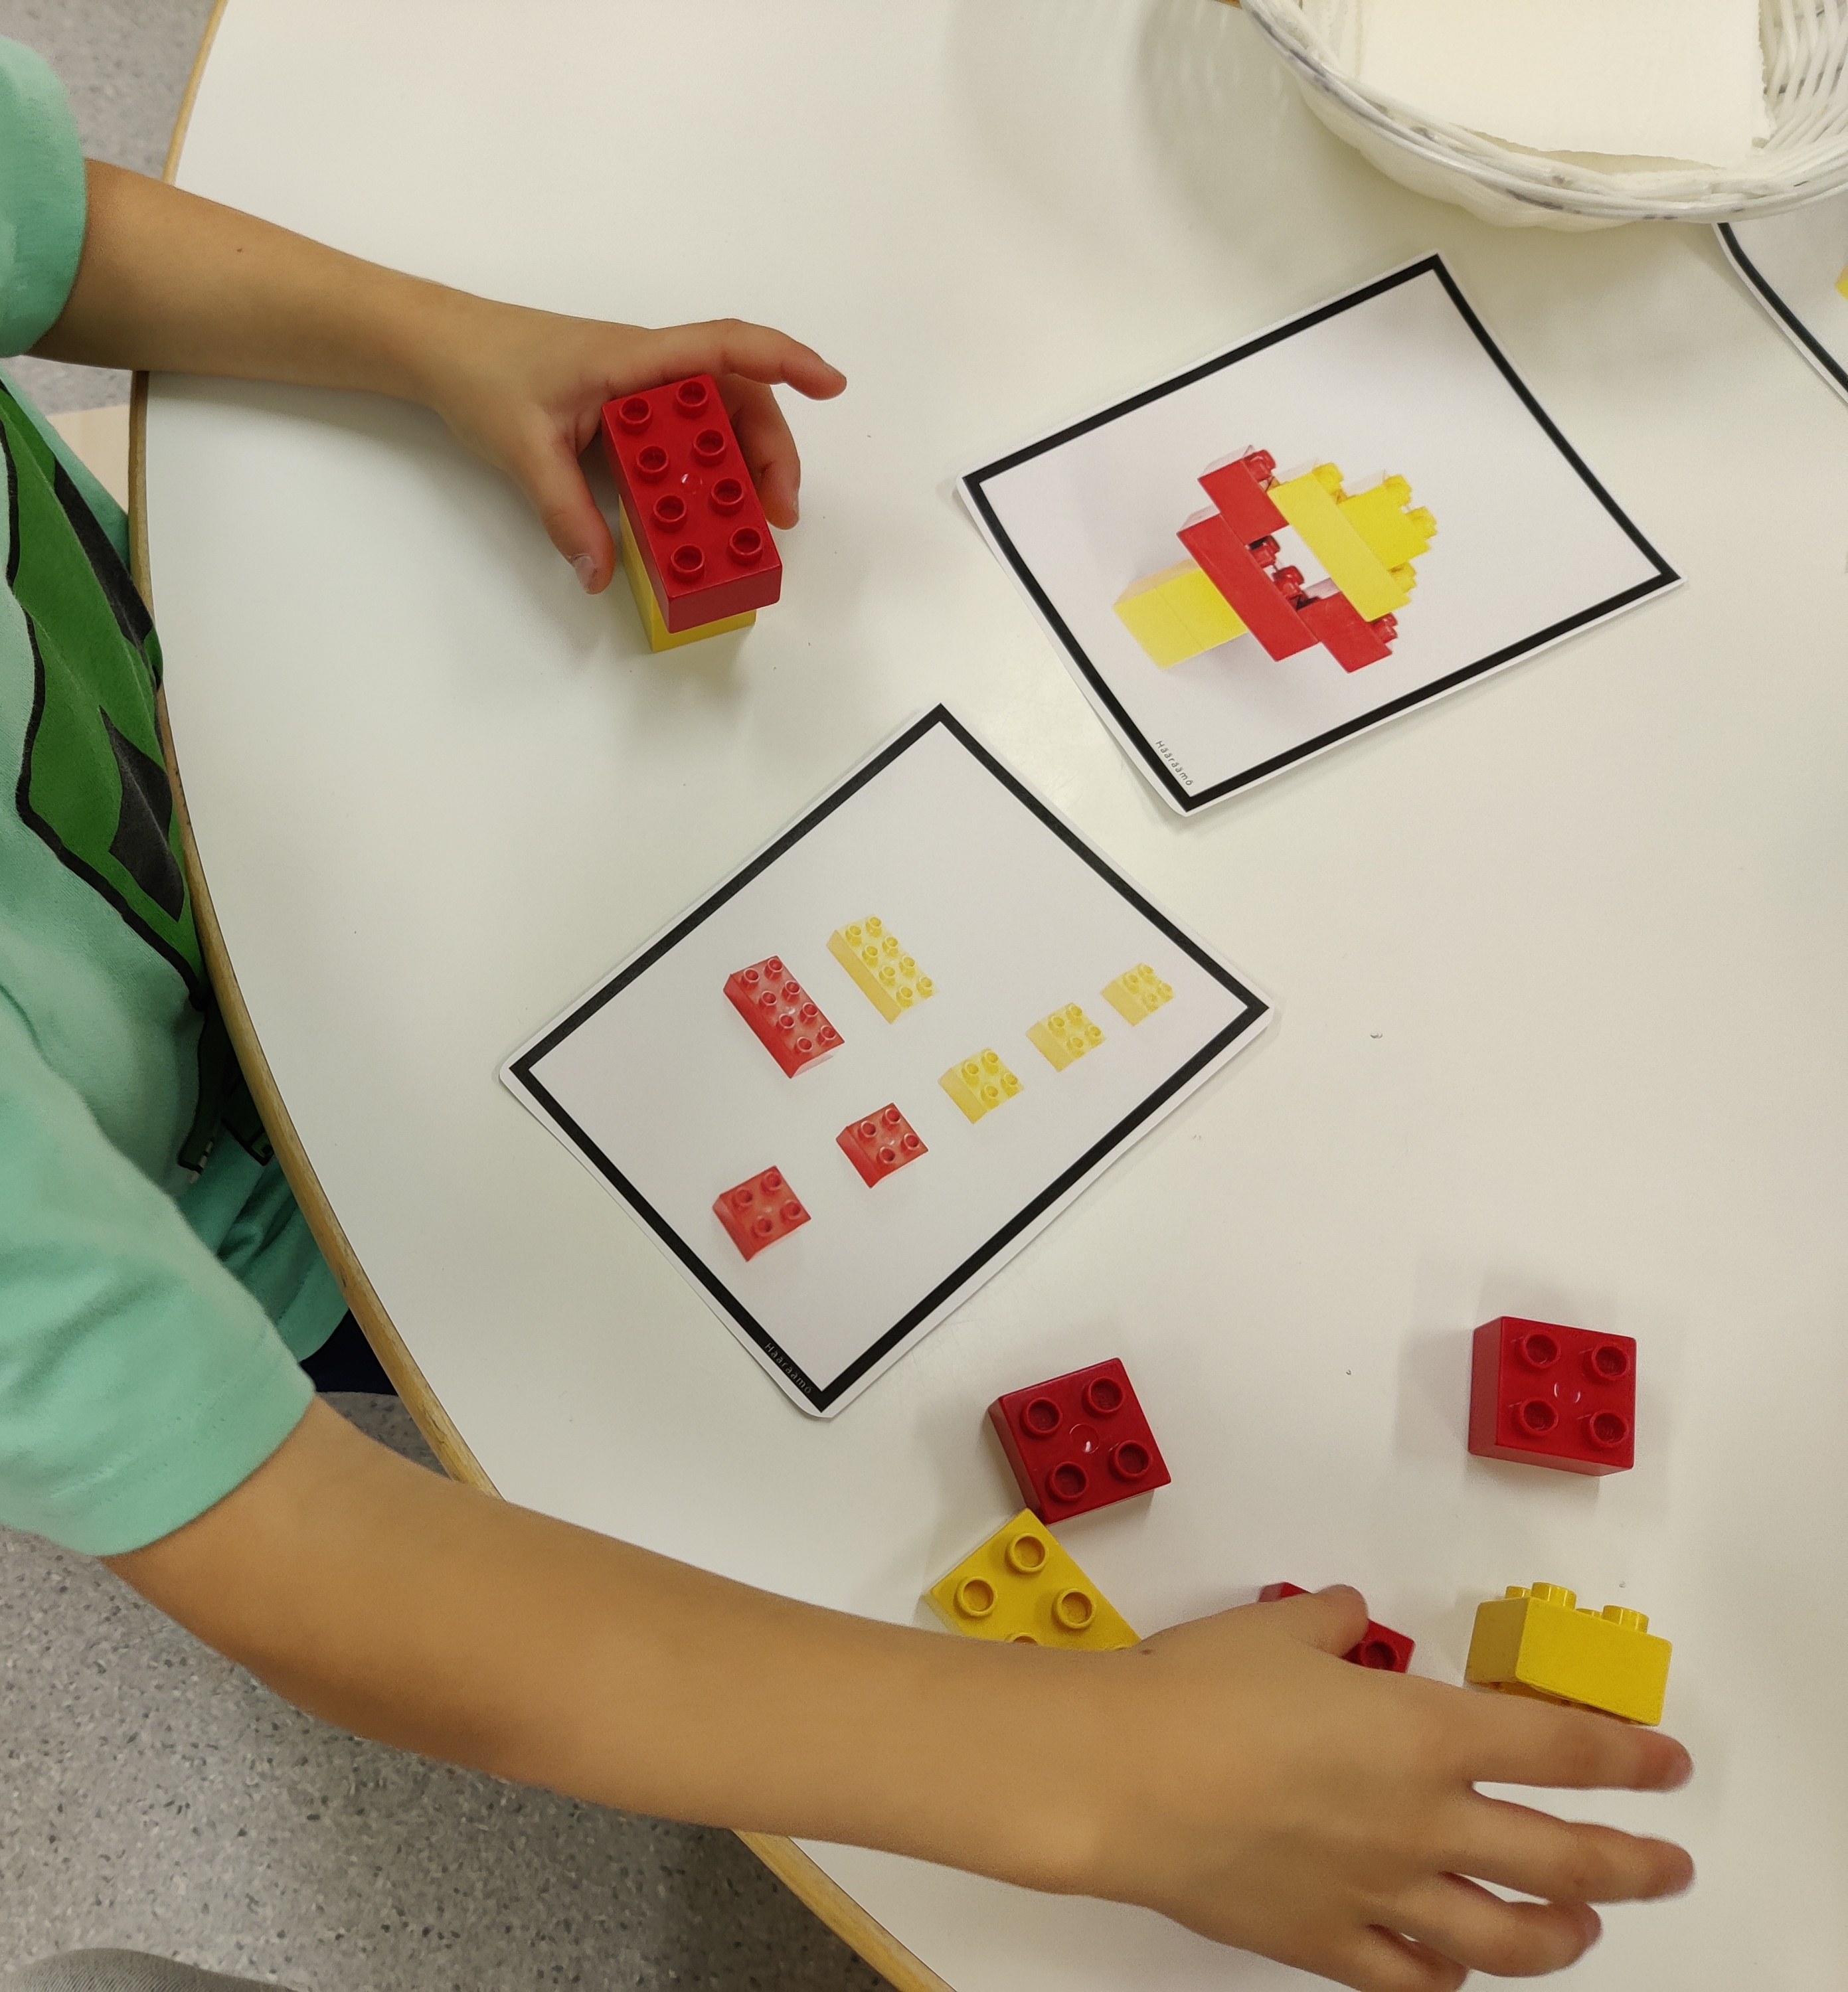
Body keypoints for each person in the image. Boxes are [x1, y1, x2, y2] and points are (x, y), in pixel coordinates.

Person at [0, 35, 1693, 1992]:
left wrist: (446, 339)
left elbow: (47, 231)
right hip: (216, 1215)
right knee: (574, 1383)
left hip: (218, 819)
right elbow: (294, 1555)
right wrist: (1101, 1774)